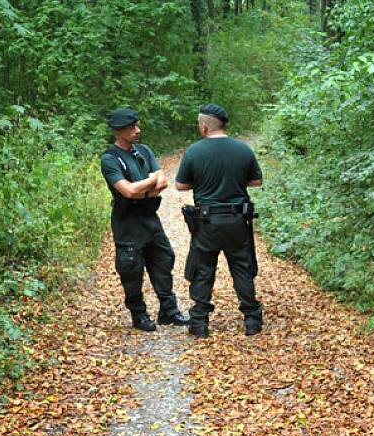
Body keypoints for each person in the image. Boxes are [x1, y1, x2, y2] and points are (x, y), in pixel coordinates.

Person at [174, 104, 264, 337]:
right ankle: (252, 320)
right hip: (236, 220)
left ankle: (200, 323)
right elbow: (256, 182)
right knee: (242, 268)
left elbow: (181, 185)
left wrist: (204, 183)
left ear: (204, 126)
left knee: (203, 268)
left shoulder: (194, 151)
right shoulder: (243, 150)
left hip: (207, 221)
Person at [100, 107, 189, 332]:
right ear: (119, 130)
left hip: (150, 216)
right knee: (131, 268)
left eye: (137, 126)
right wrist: (150, 183)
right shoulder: (110, 159)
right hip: (127, 221)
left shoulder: (144, 151)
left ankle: (169, 311)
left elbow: (163, 181)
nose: (138, 131)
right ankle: (139, 315)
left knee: (163, 258)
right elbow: (128, 191)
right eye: (132, 128)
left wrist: (145, 188)